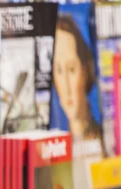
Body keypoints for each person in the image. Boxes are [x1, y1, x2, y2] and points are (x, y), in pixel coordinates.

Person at [53, 15, 104, 158]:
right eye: (59, 70)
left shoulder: (103, 138)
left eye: (71, 69)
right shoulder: (54, 145)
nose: (66, 86)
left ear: (85, 71)